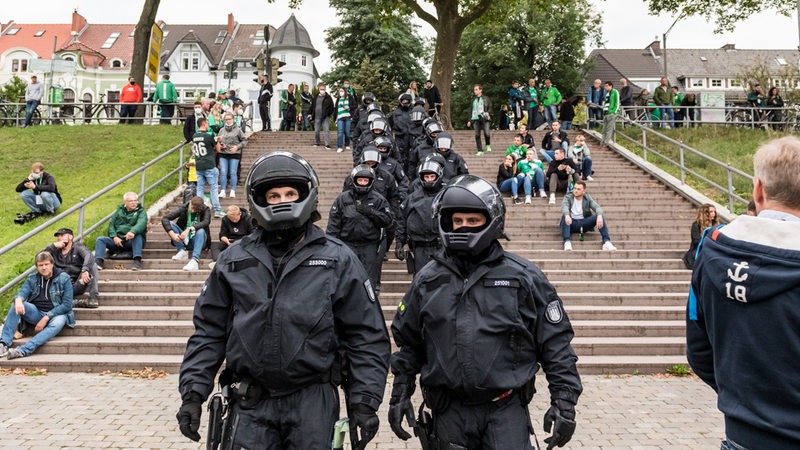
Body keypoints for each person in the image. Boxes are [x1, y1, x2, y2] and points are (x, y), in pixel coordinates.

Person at [176, 151, 390, 449]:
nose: (283, 200)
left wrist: (364, 401)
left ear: (307, 196)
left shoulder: (338, 259)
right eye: (274, 195)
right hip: (249, 404)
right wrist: (193, 393)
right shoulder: (234, 261)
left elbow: (364, 335)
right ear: (260, 201)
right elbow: (209, 332)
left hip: (312, 402)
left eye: (291, 193)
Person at [389, 175, 583, 450]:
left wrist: (564, 402)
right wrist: (400, 394)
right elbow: (410, 345)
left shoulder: (523, 278)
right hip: (448, 412)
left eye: (472, 221)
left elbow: (556, 344)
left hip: (504, 411)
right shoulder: (427, 280)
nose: (463, 227)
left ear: (491, 221)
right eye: (457, 221)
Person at [687, 136, 800, 450]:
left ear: (758, 189)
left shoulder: (710, 251)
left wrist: (744, 403)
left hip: (742, 434)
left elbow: (698, 351)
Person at [328, 164, 394, 292]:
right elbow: (333, 225)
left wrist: (371, 212)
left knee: (369, 282)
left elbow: (388, 221)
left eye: (365, 180)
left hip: (369, 246)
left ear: (370, 181)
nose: (363, 183)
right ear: (354, 180)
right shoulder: (342, 199)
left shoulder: (379, 199)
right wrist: (332, 247)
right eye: (360, 180)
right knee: (346, 279)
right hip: (347, 245)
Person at [0, 252, 75, 360]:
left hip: (57, 315)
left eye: (46, 264)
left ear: (52, 264)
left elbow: (67, 305)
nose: (44, 268)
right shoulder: (33, 279)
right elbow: (22, 292)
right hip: (37, 313)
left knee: (58, 322)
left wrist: (47, 317)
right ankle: (4, 344)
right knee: (16, 304)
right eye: (40, 265)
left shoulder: (64, 278)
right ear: (37, 267)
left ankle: (22, 350)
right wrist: (18, 300)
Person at [396, 157, 445, 275]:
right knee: (420, 279)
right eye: (426, 177)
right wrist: (399, 244)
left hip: (441, 246)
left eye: (432, 177)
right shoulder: (412, 198)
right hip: (419, 247)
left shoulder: (447, 195)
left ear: (438, 176)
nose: (429, 180)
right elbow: (401, 220)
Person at [45, 228, 99, 308]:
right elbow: (39, 258)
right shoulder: (54, 250)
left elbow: (89, 255)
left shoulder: (77, 247)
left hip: (77, 284)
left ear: (70, 237)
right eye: (58, 236)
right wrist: (53, 246)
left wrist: (85, 270)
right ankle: (77, 303)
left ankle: (93, 298)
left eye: (62, 235)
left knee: (92, 265)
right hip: (60, 288)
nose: (59, 238)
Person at [94, 192, 147, 271]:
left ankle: (137, 261)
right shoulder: (119, 211)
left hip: (131, 241)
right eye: (131, 201)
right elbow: (111, 225)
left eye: (135, 200)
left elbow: (141, 223)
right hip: (118, 241)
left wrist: (133, 231)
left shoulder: (141, 211)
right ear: (125, 202)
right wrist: (114, 237)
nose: (134, 203)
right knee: (100, 239)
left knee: (138, 235)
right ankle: (98, 263)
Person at [560, 181, 617, 251]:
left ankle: (607, 242)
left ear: (584, 191)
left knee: (599, 216)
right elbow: (564, 207)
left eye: (578, 189)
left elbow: (597, 207)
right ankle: (567, 241)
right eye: (575, 188)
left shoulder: (587, 198)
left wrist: (599, 215)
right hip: (571, 223)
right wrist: (566, 215)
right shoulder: (568, 196)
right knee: (564, 216)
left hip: (584, 223)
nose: (575, 191)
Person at [162, 196, 211, 271]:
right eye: (191, 207)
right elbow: (165, 218)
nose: (192, 210)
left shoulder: (205, 209)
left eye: (195, 210)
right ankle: (182, 250)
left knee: (201, 230)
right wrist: (172, 234)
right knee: (171, 223)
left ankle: (195, 260)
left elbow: (206, 222)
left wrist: (189, 229)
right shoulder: (183, 208)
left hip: (198, 241)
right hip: (184, 239)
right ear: (190, 202)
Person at [191, 117, 224, 218]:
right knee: (213, 188)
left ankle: (199, 209)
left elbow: (194, 150)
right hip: (209, 165)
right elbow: (218, 149)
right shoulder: (209, 135)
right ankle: (217, 210)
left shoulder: (194, 136)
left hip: (199, 165)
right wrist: (218, 141)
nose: (208, 125)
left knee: (200, 188)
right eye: (207, 124)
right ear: (204, 124)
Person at [217, 112, 247, 199]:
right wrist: (221, 145)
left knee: (233, 172)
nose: (228, 121)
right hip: (223, 153)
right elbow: (218, 141)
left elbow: (244, 140)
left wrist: (237, 147)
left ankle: (232, 190)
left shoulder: (238, 130)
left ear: (233, 120)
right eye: (226, 119)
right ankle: (222, 190)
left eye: (229, 119)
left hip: (234, 154)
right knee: (223, 172)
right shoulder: (221, 130)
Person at [682, 203, 719, 270]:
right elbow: (696, 241)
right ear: (705, 213)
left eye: (714, 212)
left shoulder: (716, 226)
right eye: (711, 212)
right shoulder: (696, 225)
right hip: (700, 249)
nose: (714, 214)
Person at [468, 84, 492, 156]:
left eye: (476, 89)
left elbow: (490, 106)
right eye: (474, 89)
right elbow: (471, 110)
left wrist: (488, 112)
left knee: (487, 133)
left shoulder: (486, 98)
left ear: (480, 90)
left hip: (484, 117)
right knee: (477, 135)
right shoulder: (473, 100)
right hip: (475, 118)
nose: (475, 91)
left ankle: (488, 145)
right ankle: (480, 150)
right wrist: (469, 120)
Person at [389, 93, 414, 163]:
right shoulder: (395, 113)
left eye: (407, 101)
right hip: (399, 137)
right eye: (404, 101)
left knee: (410, 156)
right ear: (401, 101)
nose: (405, 102)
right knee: (398, 155)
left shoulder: (413, 112)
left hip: (410, 137)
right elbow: (390, 124)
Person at [310, 84, 334, 149]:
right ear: (319, 89)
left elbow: (332, 107)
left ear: (325, 89)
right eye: (321, 89)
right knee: (316, 130)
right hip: (316, 116)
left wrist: (329, 114)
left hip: (325, 117)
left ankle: (327, 144)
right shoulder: (315, 97)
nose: (322, 90)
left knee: (326, 130)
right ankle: (317, 142)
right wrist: (310, 113)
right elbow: (312, 106)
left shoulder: (328, 97)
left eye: (323, 89)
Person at [335, 86, 356, 153]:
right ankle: (340, 146)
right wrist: (335, 118)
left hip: (347, 117)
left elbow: (355, 105)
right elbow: (336, 109)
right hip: (340, 118)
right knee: (340, 132)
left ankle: (347, 144)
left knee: (347, 132)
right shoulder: (338, 99)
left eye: (342, 91)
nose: (340, 92)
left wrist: (349, 107)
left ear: (345, 91)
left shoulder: (349, 98)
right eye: (340, 91)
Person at [602, 81, 620, 146]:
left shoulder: (615, 92)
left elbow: (617, 102)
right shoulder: (606, 93)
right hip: (606, 113)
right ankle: (602, 142)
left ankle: (606, 143)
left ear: (610, 86)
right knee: (604, 129)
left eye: (606, 86)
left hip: (611, 113)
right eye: (605, 86)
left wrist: (613, 111)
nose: (605, 87)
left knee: (609, 129)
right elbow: (605, 103)